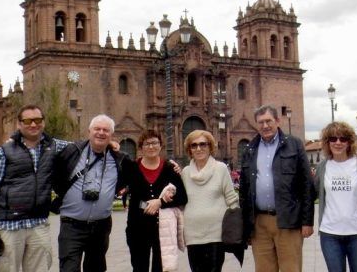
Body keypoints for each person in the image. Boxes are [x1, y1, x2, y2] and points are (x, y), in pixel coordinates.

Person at [0, 104, 66, 272]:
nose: (33, 124)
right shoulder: (4, 151)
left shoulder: (53, 146)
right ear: (19, 124)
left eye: (38, 120)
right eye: (27, 121)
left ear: (44, 123)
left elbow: (81, 147)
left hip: (38, 223)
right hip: (8, 226)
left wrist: (109, 143)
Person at [52, 114, 134, 272]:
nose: (101, 133)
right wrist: (16, 140)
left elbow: (142, 170)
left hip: (100, 227)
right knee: (69, 268)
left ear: (111, 135)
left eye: (106, 130)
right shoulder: (72, 150)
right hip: (71, 225)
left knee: (96, 268)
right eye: (97, 129)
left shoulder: (120, 159)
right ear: (89, 131)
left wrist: (170, 166)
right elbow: (45, 144)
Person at [239, 105, 314, 272]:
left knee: (290, 268)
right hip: (259, 223)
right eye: (261, 122)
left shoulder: (294, 145)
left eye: (268, 121)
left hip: (288, 219)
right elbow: (244, 190)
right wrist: (247, 226)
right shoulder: (250, 149)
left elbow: (307, 184)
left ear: (277, 121)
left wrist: (307, 221)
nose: (265, 126)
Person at [313, 122, 357, 272]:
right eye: (333, 139)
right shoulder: (322, 167)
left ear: (349, 142)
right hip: (330, 233)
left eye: (343, 139)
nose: (338, 142)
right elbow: (312, 194)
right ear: (327, 142)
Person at [126, 129, 188, 272]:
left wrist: (160, 202)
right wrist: (148, 205)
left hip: (162, 229)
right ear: (141, 148)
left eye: (155, 143)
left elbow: (182, 197)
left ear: (161, 146)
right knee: (139, 267)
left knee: (160, 268)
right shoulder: (132, 168)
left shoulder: (170, 168)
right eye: (147, 144)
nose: (151, 147)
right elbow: (133, 200)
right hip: (137, 228)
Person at [180, 130, 239, 272]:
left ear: (210, 147)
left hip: (216, 234)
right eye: (194, 145)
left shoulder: (221, 169)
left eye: (203, 144)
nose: (198, 148)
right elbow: (181, 202)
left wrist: (236, 229)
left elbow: (232, 199)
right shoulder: (185, 173)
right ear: (189, 150)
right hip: (193, 234)